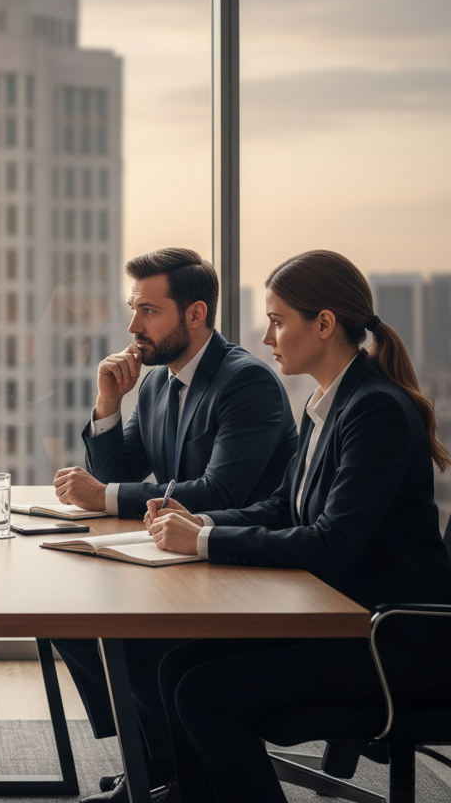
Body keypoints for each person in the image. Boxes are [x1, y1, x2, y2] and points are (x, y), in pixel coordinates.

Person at [147, 250, 451, 803]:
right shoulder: (327, 402)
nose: (267, 337)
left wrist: (207, 541)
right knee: (177, 667)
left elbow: (332, 543)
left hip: (390, 640)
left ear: (325, 324)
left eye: (278, 320)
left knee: (203, 694)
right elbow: (284, 507)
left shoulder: (374, 411)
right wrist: (200, 521)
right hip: (343, 621)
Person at [50, 247, 298, 802]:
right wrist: (108, 403)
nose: (133, 325)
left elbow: (220, 492)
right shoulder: (161, 382)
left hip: (246, 571)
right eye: (133, 309)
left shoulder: (246, 383)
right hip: (183, 560)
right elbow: (116, 476)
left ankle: (167, 770)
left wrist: (108, 495)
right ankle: (158, 762)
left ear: (194, 314)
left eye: (148, 310)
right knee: (64, 616)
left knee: (124, 638)